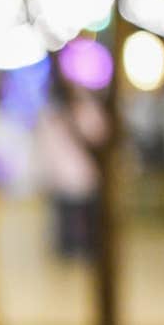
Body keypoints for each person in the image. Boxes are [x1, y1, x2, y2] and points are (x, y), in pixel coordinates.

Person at [35, 72, 108, 260]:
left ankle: (77, 250)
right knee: (75, 219)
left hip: (73, 175)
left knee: (75, 219)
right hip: (77, 174)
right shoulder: (66, 115)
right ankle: (76, 250)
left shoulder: (51, 118)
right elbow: (100, 134)